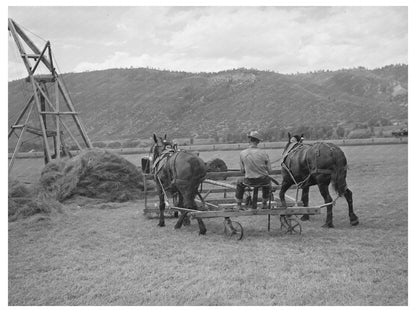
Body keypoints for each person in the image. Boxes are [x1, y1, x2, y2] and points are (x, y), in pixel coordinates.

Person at [235, 130, 272, 210]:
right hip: (263, 180)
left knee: (239, 182)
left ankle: (238, 204)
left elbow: (242, 171)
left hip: (249, 181)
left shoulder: (242, 153)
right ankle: (264, 203)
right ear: (258, 141)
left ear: (249, 140)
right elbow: (269, 170)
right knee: (267, 182)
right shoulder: (264, 153)